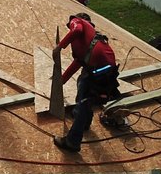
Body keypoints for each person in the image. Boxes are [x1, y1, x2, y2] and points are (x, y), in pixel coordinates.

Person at [51, 12, 120, 153]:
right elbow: (78, 63)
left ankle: (72, 142)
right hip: (107, 68)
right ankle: (84, 122)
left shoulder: (77, 21)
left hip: (99, 67)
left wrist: (59, 47)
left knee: (84, 99)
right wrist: (60, 82)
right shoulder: (89, 42)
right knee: (84, 86)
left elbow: (76, 30)